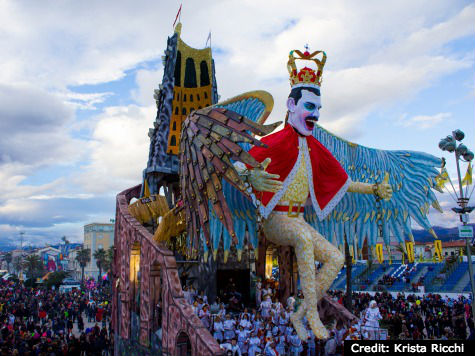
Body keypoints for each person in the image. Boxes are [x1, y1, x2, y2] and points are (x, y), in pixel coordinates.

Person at [241, 49, 393, 340]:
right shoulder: (274, 142)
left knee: (335, 258)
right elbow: (237, 162)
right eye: (310, 106)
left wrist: (373, 189)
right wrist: (249, 175)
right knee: (302, 237)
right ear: (291, 105)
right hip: (275, 221)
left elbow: (341, 181)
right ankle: (311, 313)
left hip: (297, 220)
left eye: (319, 109)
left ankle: (298, 312)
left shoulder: (314, 149)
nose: (316, 115)